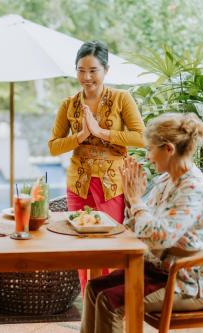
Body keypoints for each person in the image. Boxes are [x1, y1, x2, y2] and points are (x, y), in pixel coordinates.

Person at [80, 113, 203, 333]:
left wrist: (136, 201)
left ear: (169, 149)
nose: (147, 156)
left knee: (109, 302)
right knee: (93, 288)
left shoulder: (192, 189)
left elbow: (157, 239)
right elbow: (139, 229)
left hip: (186, 284)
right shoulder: (167, 181)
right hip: (157, 270)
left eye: (150, 148)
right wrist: (130, 199)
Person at [48, 40, 145, 295]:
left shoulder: (122, 99)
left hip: (112, 183)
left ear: (106, 70)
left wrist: (102, 132)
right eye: (81, 70)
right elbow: (53, 146)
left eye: (93, 70)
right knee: (83, 250)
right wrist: (80, 136)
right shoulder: (68, 104)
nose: (86, 76)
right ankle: (89, 313)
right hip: (78, 185)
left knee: (109, 248)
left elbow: (142, 138)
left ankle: (110, 309)